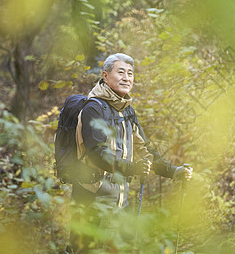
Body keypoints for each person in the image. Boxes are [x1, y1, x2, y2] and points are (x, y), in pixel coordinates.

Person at [69, 53, 193, 252]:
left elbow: (144, 149)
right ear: (105, 75)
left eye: (130, 73)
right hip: (93, 200)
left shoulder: (126, 111)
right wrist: (132, 168)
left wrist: (173, 171)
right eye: (121, 72)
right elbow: (96, 153)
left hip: (121, 202)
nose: (127, 78)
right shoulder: (94, 108)